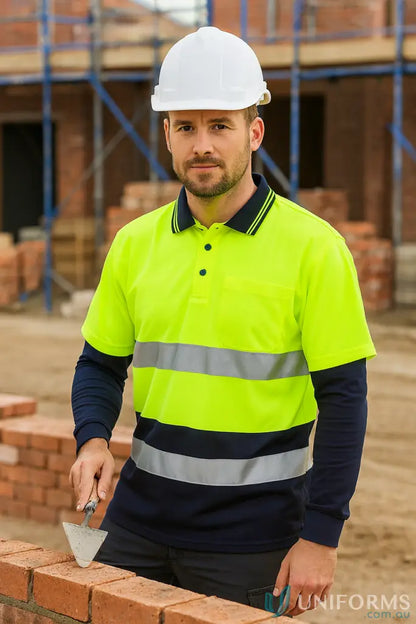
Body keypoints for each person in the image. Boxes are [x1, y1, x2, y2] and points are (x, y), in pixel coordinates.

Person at [70, 26, 376, 617]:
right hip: (135, 527)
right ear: (166, 134)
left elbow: (345, 400)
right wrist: (92, 440)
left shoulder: (315, 250)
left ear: (253, 132)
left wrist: (321, 537)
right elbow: (100, 364)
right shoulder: (134, 245)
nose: (201, 145)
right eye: (186, 126)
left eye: (220, 125)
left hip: (254, 540)